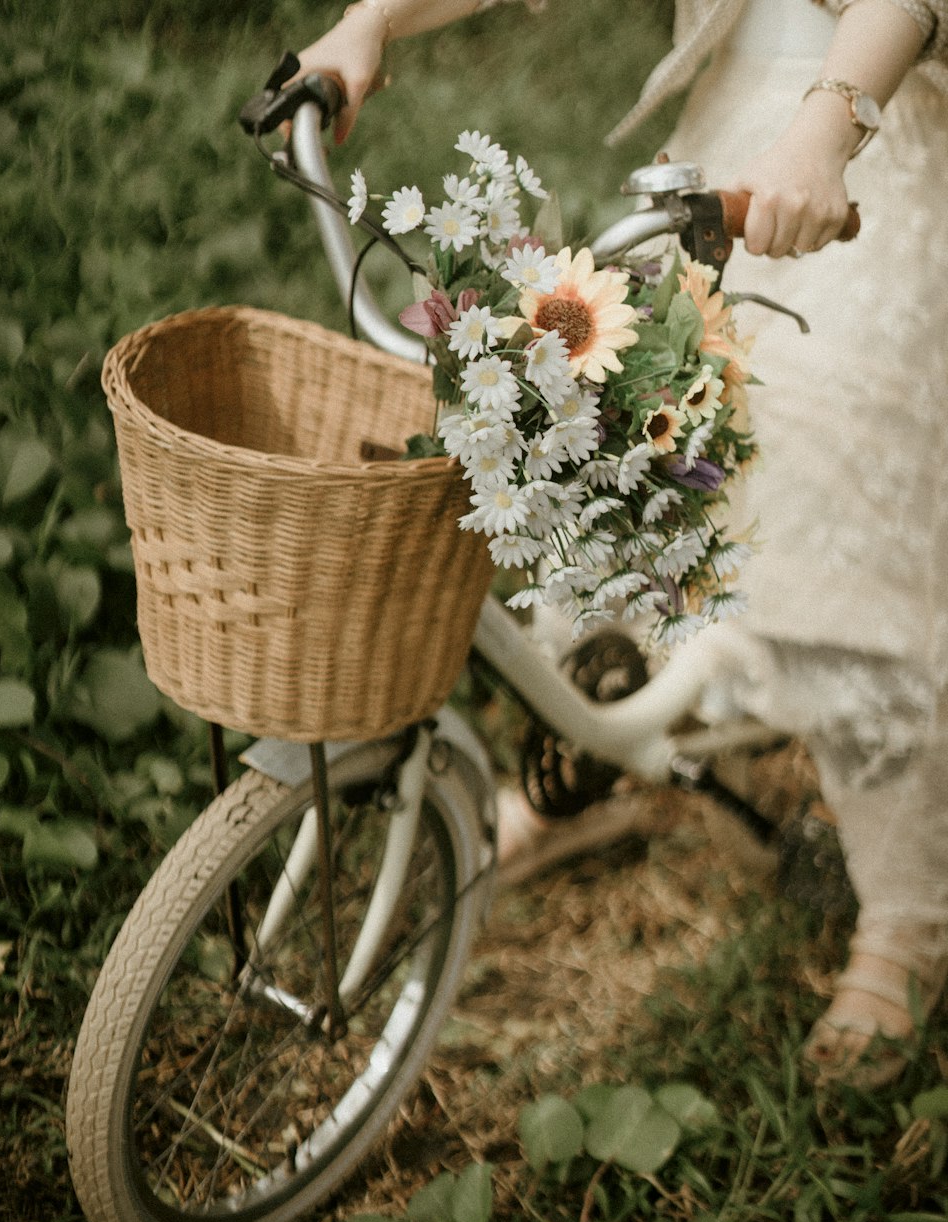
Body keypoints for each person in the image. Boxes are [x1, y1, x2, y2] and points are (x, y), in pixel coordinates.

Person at [291, 0, 948, 1089]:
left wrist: (824, 128)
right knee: (623, 461)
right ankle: (583, 761)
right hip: (733, 144)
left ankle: (907, 911)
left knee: (830, 504)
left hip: (885, 150)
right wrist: (373, 23)